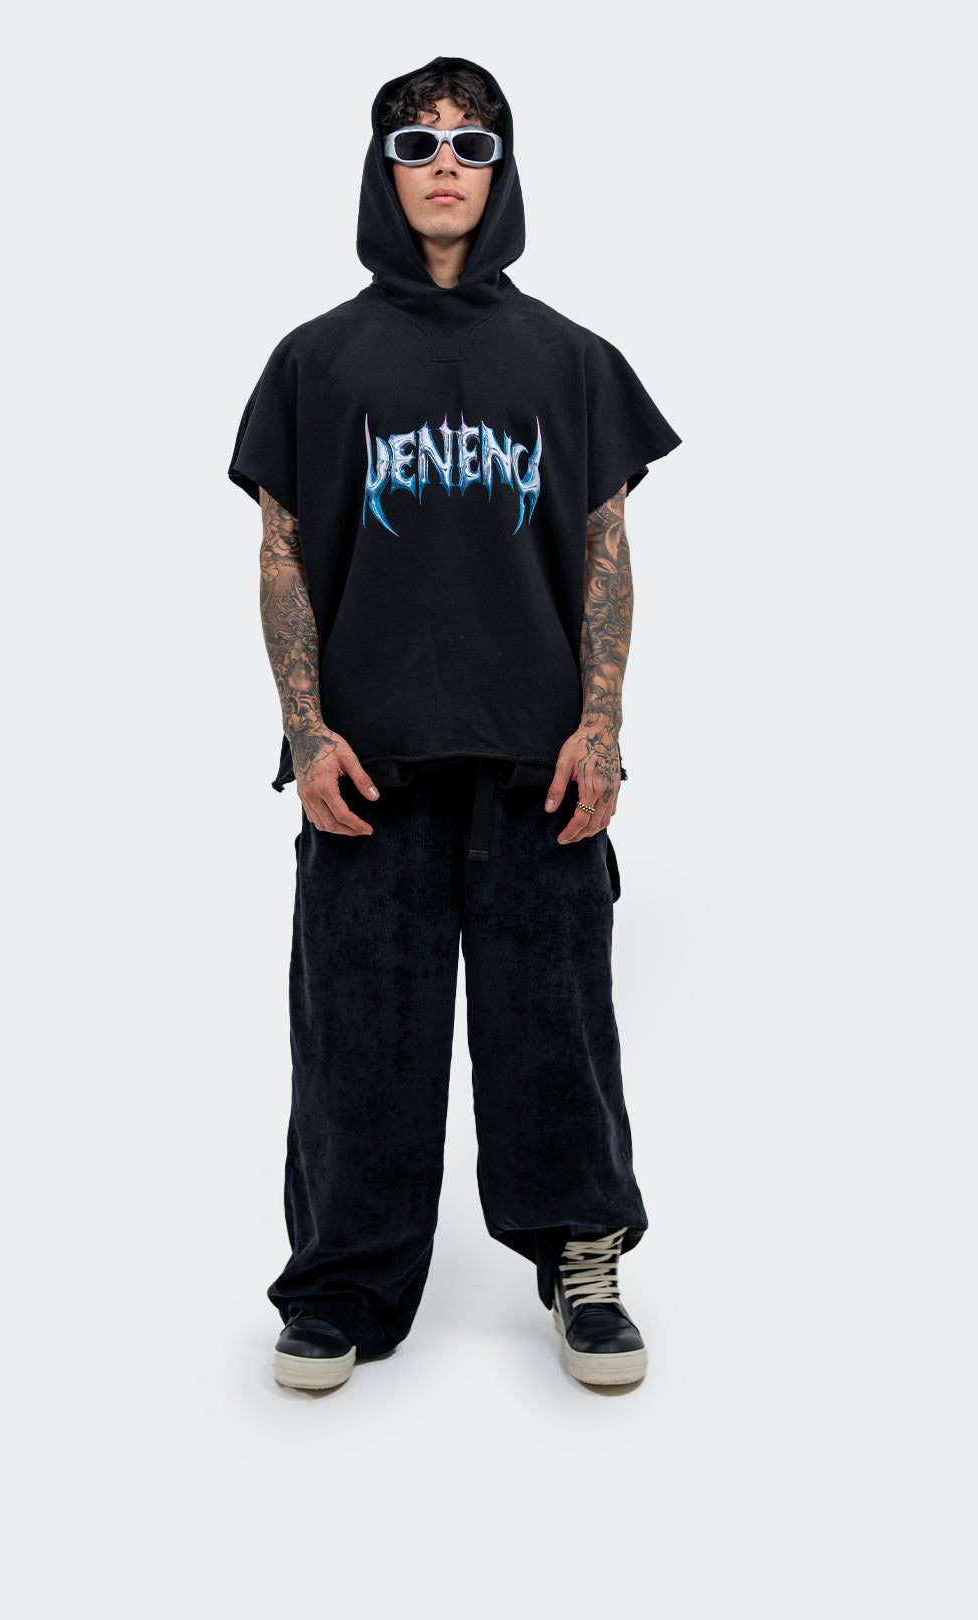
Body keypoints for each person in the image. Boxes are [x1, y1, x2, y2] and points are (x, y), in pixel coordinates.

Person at [227, 55, 681, 1392]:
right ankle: (341, 1287)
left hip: (541, 764)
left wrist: (603, 725)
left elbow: (606, 552)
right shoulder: (314, 360)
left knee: (557, 1032)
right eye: (416, 144)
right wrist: (306, 733)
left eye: (471, 145)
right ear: (382, 171)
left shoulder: (573, 361)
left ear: (503, 170)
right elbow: (281, 555)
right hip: (367, 767)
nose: (444, 166)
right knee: (358, 1039)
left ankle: (582, 1257)